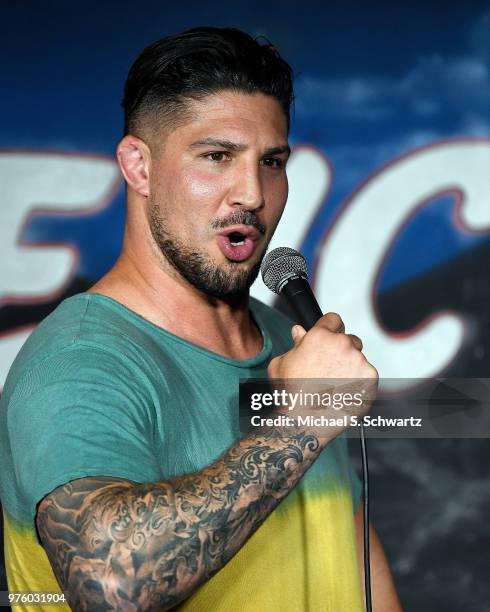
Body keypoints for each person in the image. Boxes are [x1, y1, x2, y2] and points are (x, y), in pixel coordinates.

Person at [0, 27, 402, 611]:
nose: (252, 193)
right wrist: (296, 427)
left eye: (272, 161)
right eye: (217, 156)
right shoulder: (81, 358)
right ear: (138, 166)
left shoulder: (293, 347)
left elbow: (352, 549)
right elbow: (110, 587)